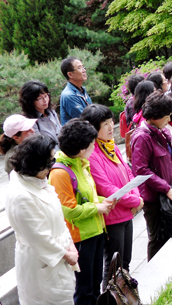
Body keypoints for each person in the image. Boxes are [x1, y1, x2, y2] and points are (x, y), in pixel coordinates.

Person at [5, 134, 78, 305]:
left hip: (60, 253)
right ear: (34, 163)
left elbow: (59, 219)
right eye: (49, 162)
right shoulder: (20, 195)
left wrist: (70, 244)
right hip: (41, 261)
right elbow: (38, 236)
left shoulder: (39, 182)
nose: (52, 166)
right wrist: (66, 254)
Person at [50, 119, 116, 305]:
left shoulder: (81, 164)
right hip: (80, 238)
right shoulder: (60, 172)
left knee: (95, 283)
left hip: (95, 231)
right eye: (92, 144)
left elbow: (88, 198)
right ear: (81, 148)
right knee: (84, 289)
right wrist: (98, 207)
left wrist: (104, 201)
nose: (94, 147)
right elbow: (69, 210)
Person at [80, 104, 143, 290]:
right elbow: (105, 187)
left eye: (111, 122)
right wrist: (134, 200)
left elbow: (128, 174)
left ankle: (126, 297)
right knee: (113, 265)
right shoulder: (92, 153)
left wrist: (136, 196)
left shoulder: (111, 146)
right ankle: (110, 299)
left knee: (126, 262)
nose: (110, 127)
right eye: (105, 124)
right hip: (112, 216)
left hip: (126, 211)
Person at [130, 91, 172, 260]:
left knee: (169, 232)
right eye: (167, 116)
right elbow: (141, 170)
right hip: (153, 197)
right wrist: (166, 188)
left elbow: (168, 162)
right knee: (157, 236)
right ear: (157, 116)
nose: (169, 120)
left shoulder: (161, 131)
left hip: (168, 191)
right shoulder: (142, 136)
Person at [19, 80, 62, 145]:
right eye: (39, 98)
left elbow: (60, 132)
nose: (45, 100)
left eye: (46, 96)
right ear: (30, 101)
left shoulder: (52, 112)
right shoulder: (29, 121)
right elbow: (39, 144)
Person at [60, 56, 92, 125]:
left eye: (83, 67)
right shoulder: (69, 95)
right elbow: (84, 119)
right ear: (70, 74)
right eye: (79, 68)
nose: (84, 70)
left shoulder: (81, 90)